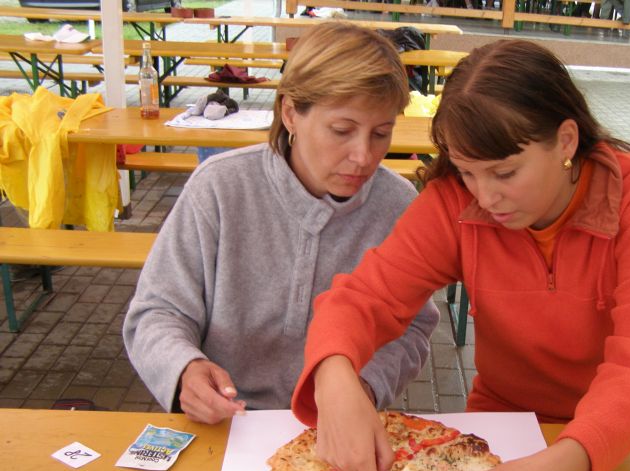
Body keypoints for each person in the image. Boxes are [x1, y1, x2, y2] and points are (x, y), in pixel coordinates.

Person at [291, 39, 630, 471]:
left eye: (505, 173)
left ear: (566, 141)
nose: (485, 196)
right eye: (467, 172)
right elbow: (363, 299)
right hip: (509, 420)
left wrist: (556, 468)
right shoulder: (455, 204)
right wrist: (335, 378)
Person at [123, 22, 439, 424]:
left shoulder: (398, 205)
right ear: (290, 113)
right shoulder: (219, 187)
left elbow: (413, 328)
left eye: (381, 133)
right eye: (342, 130)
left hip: (341, 422)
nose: (363, 156)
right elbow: (157, 311)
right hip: (226, 422)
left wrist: (365, 385)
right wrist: (184, 368)